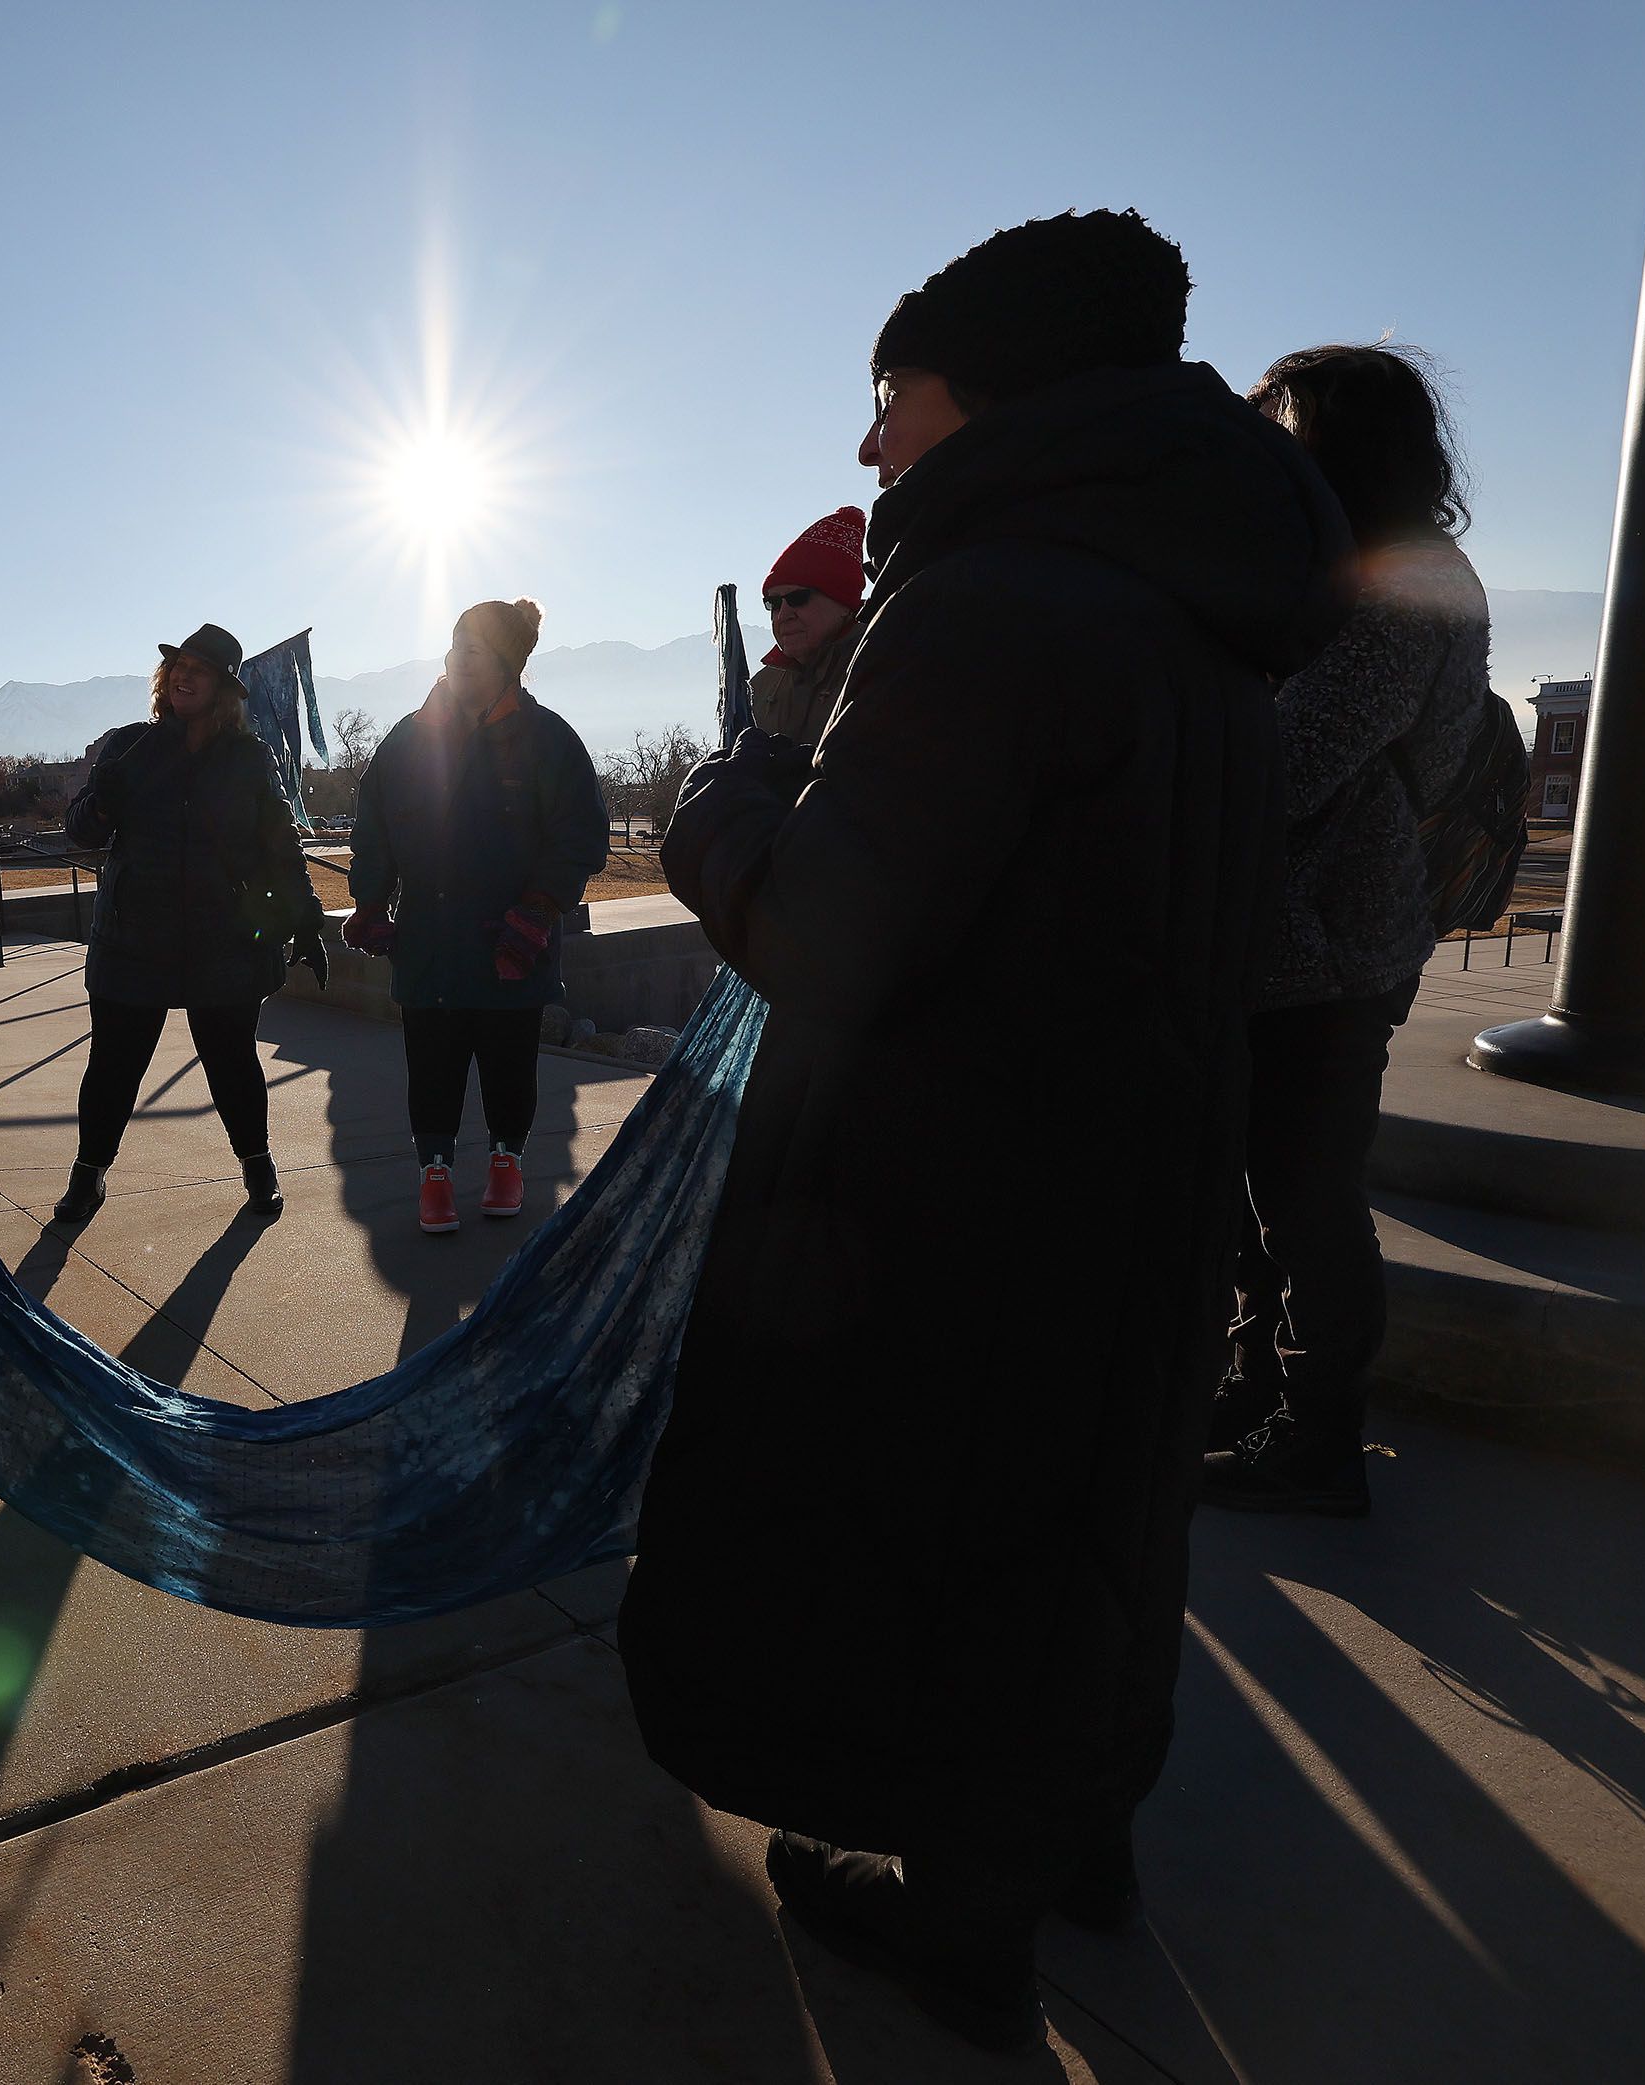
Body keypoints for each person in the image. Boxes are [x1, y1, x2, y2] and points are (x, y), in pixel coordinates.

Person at [617, 211, 1353, 2052]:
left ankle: (963, 1922)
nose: (871, 447)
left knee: (944, 1534)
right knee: (1085, 1526)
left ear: (992, 395)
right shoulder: (1199, 616)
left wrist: (742, 769)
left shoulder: (993, 605)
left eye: (891, 399)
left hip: (959, 1197)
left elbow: (815, 926)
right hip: (1139, 1176)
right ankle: (1066, 1842)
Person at [1203, 345, 1488, 1518]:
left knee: (1307, 1195)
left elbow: (1293, 759)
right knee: (1262, 1188)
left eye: (1282, 416)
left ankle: (1319, 1439)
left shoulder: (1406, 578)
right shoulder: (1343, 572)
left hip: (1332, 946)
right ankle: (1258, 1383)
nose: (1266, 437)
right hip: (1289, 941)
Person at [342, 599, 609, 1234]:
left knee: (509, 1060)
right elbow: (373, 829)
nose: (460, 660)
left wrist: (539, 909)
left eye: (476, 650)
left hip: (512, 941)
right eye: (456, 645)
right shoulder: (408, 739)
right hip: (429, 940)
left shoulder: (548, 741)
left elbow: (580, 836)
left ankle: (505, 1162)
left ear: (509, 662)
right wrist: (372, 901)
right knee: (430, 1062)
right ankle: (433, 1173)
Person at [51, 623, 326, 1226]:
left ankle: (258, 1168)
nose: (182, 676)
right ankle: (88, 1175)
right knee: (113, 1067)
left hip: (222, 940)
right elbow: (81, 831)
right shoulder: (128, 747)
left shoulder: (249, 760)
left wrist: (305, 917)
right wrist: (101, 800)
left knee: (232, 1063)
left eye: (197, 670)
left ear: (225, 689)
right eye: (176, 666)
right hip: (133, 940)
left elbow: (281, 847)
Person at [749, 505, 868, 747]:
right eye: (772, 603)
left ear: (843, 603)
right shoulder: (760, 687)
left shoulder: (879, 668)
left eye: (798, 598)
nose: (783, 615)